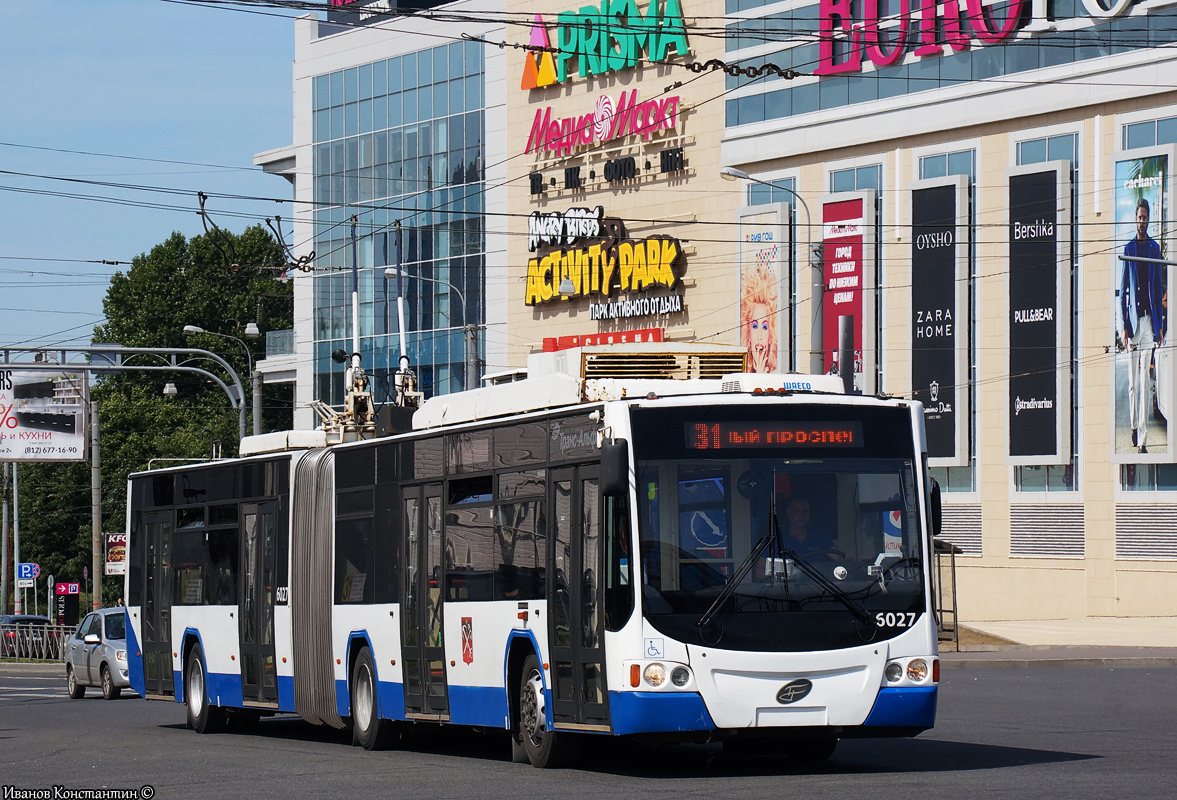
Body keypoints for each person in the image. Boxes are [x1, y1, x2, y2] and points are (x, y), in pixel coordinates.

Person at [1120, 198, 1165, 453]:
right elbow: (1123, 291)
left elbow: (1158, 288)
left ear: (1148, 220)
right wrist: (1123, 326)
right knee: (1132, 383)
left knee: (1144, 382)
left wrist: (1158, 326)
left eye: (1145, 217)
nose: (1141, 221)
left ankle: (1144, 441)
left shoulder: (1154, 248)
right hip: (1132, 322)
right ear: (1135, 219)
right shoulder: (1128, 248)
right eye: (1139, 217)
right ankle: (1134, 426)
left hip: (1149, 322)